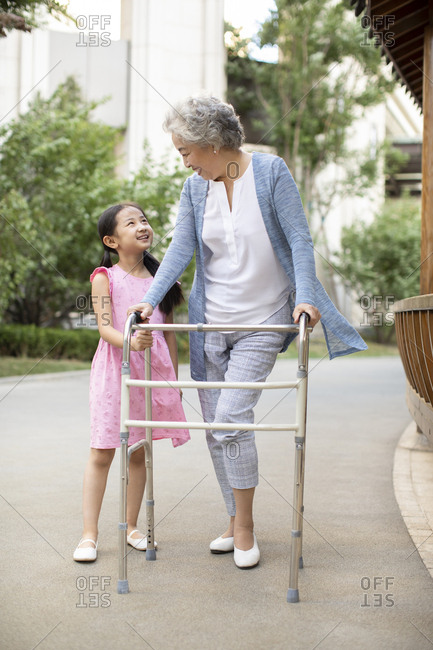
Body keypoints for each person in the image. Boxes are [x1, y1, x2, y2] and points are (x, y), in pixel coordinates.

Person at [129, 96, 367, 569]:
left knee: (232, 416)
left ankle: (245, 528)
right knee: (218, 430)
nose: (185, 162)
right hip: (211, 320)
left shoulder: (271, 171)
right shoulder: (195, 189)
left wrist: (305, 295)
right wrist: (149, 300)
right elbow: (181, 248)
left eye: (186, 152)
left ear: (213, 143)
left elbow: (299, 237)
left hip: (263, 319)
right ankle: (233, 515)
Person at [73, 202, 189, 562]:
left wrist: (174, 381)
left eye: (144, 220)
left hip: (151, 374)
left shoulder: (162, 280)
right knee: (102, 451)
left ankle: (131, 526)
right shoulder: (103, 277)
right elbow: (105, 327)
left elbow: (168, 335)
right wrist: (131, 342)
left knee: (139, 451)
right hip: (115, 371)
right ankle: (89, 535)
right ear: (112, 240)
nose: (142, 226)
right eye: (131, 223)